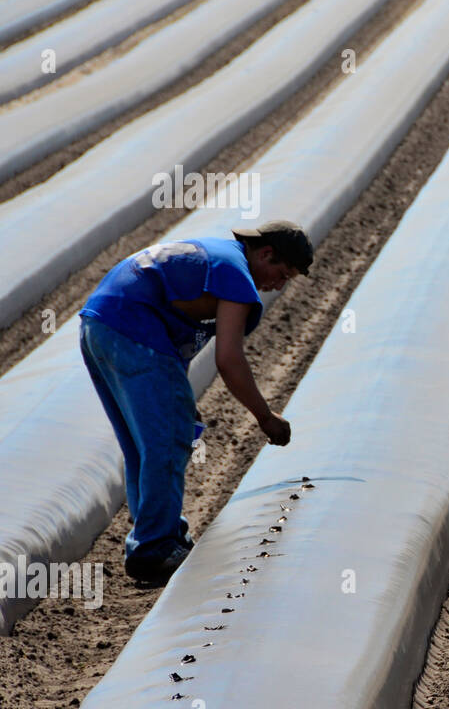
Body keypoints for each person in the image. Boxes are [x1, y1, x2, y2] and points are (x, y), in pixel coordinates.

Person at [79, 220, 313, 585]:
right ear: (265, 253)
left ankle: (159, 536)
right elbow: (229, 359)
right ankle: (154, 548)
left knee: (147, 444)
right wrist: (265, 417)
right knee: (167, 441)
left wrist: (177, 401)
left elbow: (179, 340)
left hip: (99, 325)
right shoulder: (236, 275)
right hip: (132, 329)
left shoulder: (216, 259)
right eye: (281, 273)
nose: (278, 285)